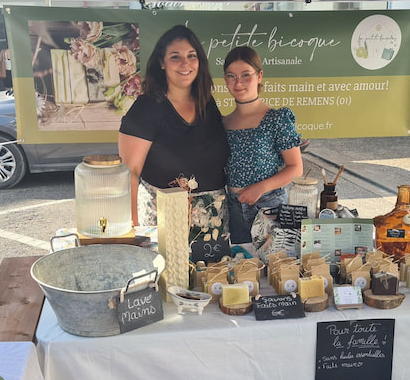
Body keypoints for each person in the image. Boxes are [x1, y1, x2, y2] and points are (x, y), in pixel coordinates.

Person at [118, 25, 229, 241]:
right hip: (163, 221)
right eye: (175, 57)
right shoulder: (146, 108)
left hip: (213, 223)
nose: (185, 63)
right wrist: (133, 231)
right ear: (162, 62)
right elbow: (129, 173)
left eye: (191, 55)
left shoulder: (207, 104)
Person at [222, 46, 303, 244]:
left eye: (245, 75)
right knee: (241, 261)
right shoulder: (223, 122)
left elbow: (296, 168)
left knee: (277, 262)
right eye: (231, 76)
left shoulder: (277, 118)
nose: (238, 82)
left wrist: (260, 188)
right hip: (233, 208)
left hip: (269, 206)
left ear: (259, 76)